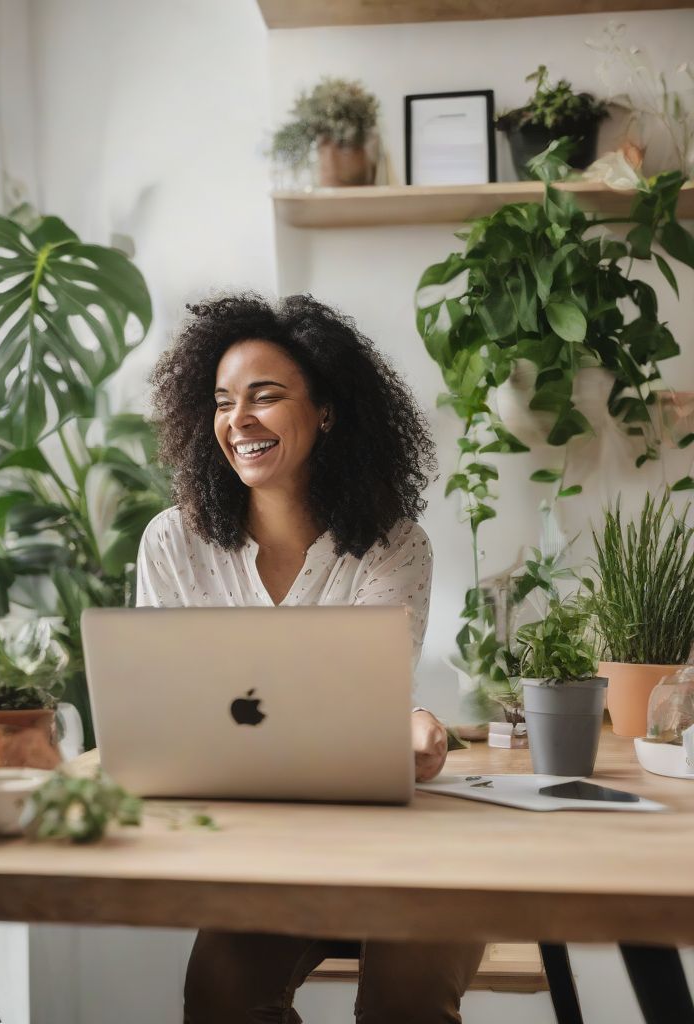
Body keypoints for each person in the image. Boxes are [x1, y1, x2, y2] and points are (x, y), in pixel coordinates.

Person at [135, 293, 484, 1024]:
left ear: (326, 411)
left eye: (266, 397)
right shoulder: (174, 542)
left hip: (399, 847)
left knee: (406, 1001)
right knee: (220, 996)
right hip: (263, 855)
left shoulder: (393, 545)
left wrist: (405, 726)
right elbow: (164, 718)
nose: (240, 421)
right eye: (224, 402)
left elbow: (356, 716)